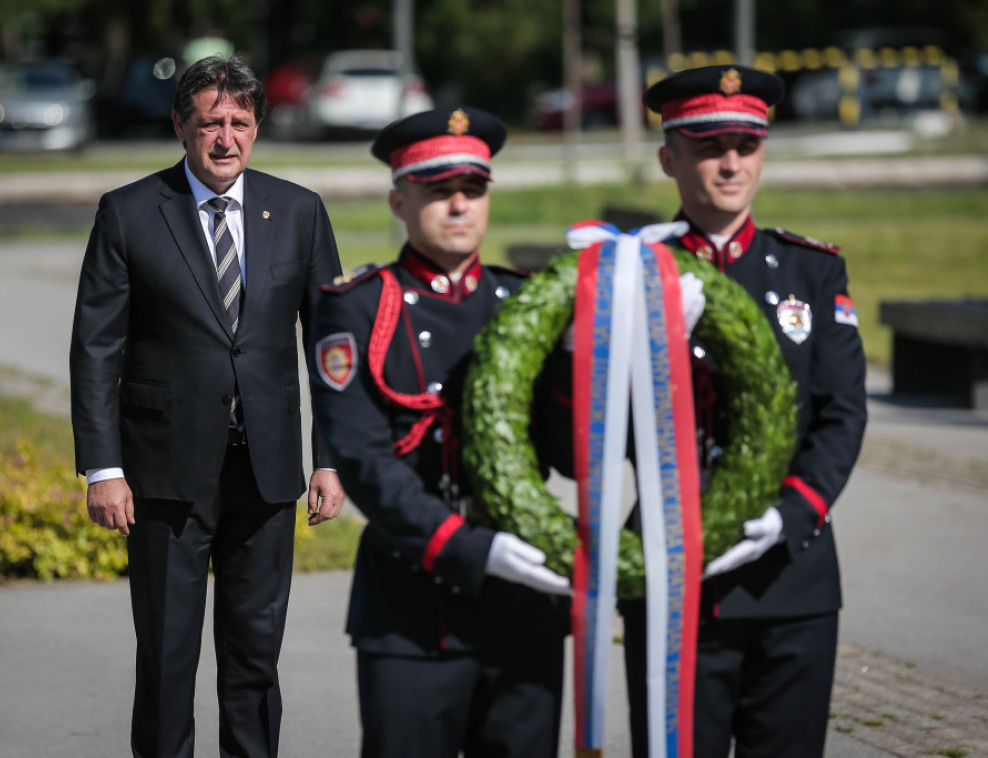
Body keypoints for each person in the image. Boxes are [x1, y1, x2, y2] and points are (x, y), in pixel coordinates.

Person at [69, 55, 345, 758]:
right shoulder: (129, 213)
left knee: (254, 660)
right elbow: (96, 350)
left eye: (240, 124)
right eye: (210, 124)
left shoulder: (300, 211)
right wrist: (103, 469)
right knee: (166, 658)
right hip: (163, 476)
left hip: (268, 473)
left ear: (257, 128)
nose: (226, 139)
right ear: (181, 127)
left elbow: (329, 350)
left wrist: (331, 461)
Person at [619, 65, 868, 757]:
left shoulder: (810, 271)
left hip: (792, 575)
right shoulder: (629, 272)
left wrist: (787, 515)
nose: (731, 162)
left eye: (747, 144)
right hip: (674, 572)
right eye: (708, 145)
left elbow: (841, 412)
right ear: (670, 158)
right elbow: (588, 423)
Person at [307, 107, 571, 758]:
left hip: (524, 601)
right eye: (437, 190)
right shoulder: (360, 306)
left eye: (473, 190)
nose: (458, 205)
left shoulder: (528, 303)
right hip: (412, 612)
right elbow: (363, 457)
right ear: (401, 200)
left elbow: (569, 450)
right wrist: (466, 548)